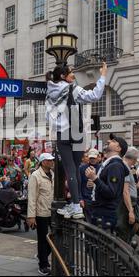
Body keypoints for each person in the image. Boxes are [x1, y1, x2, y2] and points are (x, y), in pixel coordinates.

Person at [46, 62, 107, 219]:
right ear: (63, 76)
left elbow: (49, 116)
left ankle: (75, 205)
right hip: (77, 131)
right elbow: (95, 95)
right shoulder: (72, 88)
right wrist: (103, 75)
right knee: (75, 168)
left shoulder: (50, 92)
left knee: (70, 169)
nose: (73, 75)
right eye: (71, 72)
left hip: (63, 132)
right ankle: (76, 204)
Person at [85, 134, 129, 232]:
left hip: (105, 215)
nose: (109, 141)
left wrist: (95, 178)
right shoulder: (111, 164)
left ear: (118, 148)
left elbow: (111, 192)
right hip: (101, 212)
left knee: (99, 245)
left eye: (113, 141)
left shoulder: (115, 166)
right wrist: (95, 184)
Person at [27, 153, 55, 276]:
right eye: (49, 160)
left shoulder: (53, 174)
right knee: (43, 240)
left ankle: (41, 255)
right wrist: (31, 216)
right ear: (43, 162)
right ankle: (43, 265)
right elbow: (32, 197)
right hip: (41, 212)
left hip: (53, 212)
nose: (52, 162)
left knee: (55, 236)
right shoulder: (35, 176)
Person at [116, 147, 139, 247]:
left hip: (130, 201)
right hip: (128, 202)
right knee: (126, 231)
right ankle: (125, 255)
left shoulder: (126, 167)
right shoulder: (124, 167)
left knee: (135, 225)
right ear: (134, 159)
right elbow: (125, 191)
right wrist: (130, 211)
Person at [79, 148, 101, 222]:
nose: (92, 160)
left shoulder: (102, 168)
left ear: (98, 157)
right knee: (88, 223)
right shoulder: (82, 168)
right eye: (91, 158)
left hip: (98, 200)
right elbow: (80, 184)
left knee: (97, 223)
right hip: (86, 199)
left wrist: (95, 182)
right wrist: (81, 198)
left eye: (94, 158)